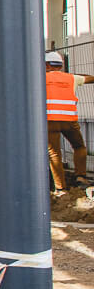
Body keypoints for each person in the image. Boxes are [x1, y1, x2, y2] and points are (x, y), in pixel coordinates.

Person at [46, 52, 94, 188]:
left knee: (54, 154)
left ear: (46, 65)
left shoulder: (39, 78)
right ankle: (81, 176)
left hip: (50, 121)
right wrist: (73, 75)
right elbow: (90, 79)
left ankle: (60, 187)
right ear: (60, 66)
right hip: (69, 121)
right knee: (79, 146)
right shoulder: (72, 78)